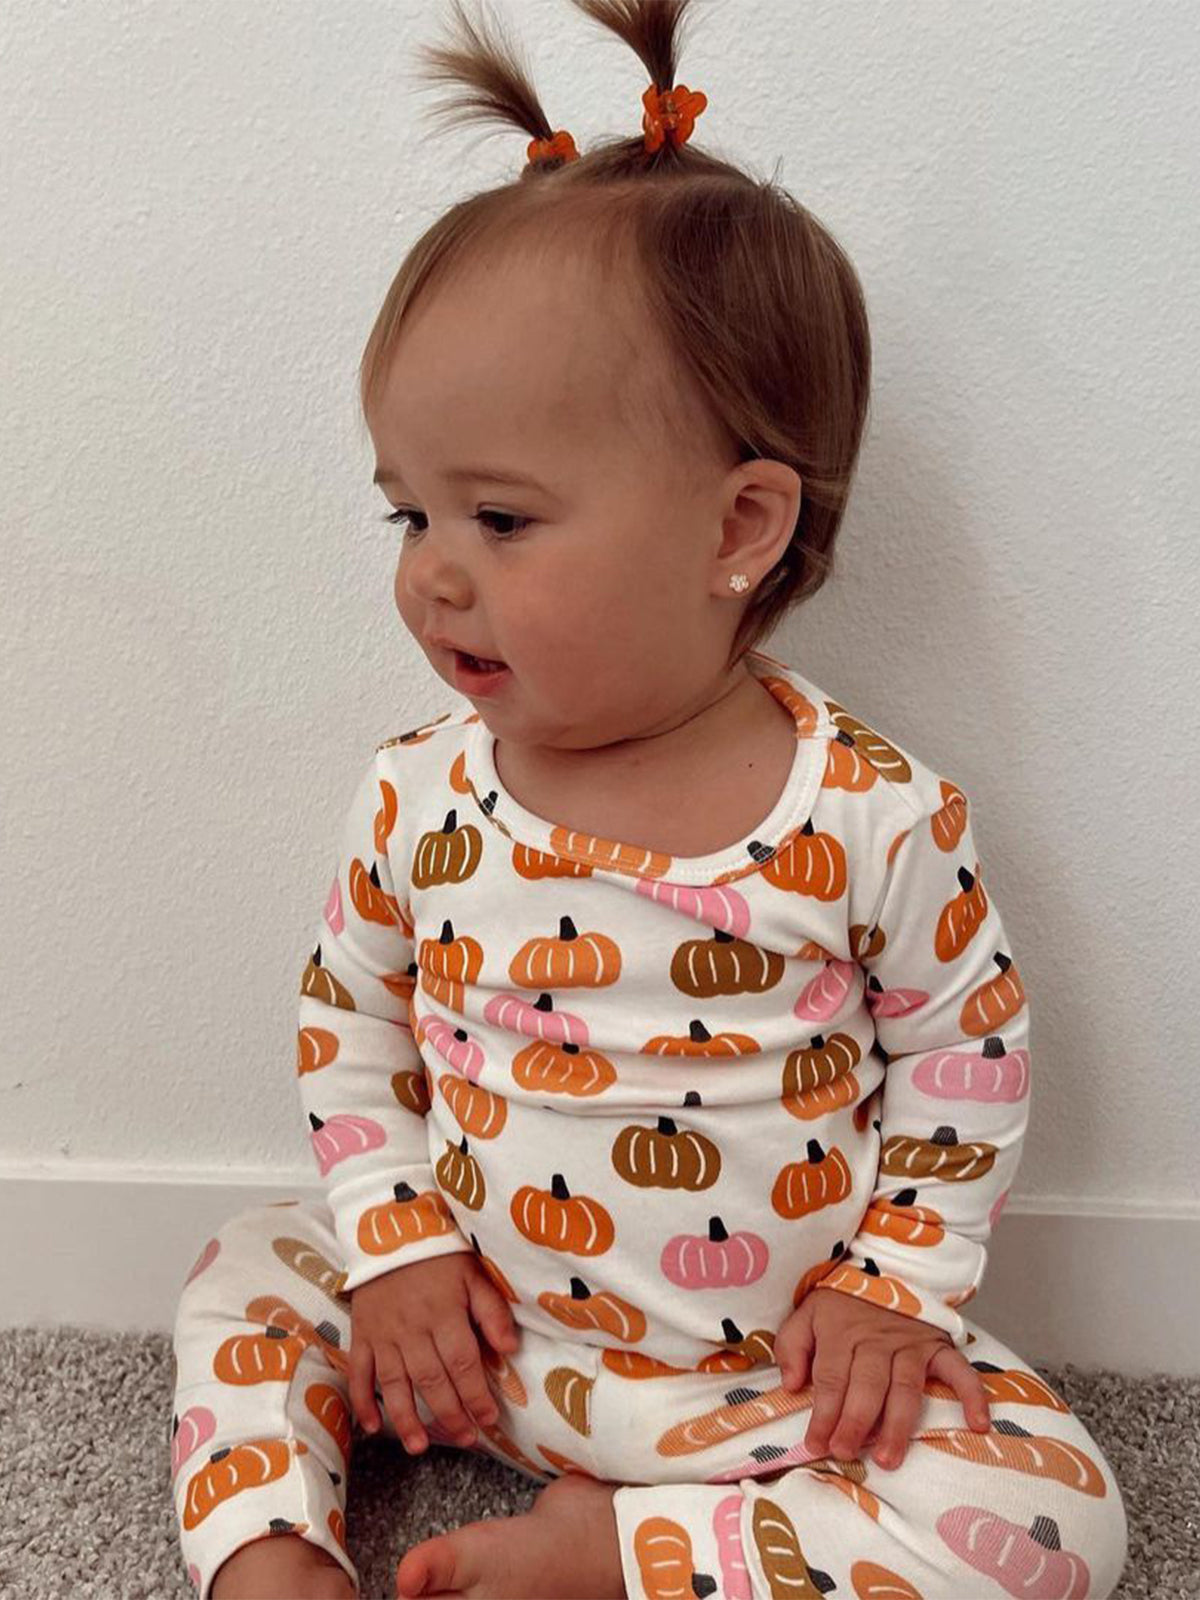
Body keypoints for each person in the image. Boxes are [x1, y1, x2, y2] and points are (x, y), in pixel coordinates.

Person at [168, 1, 1130, 1596]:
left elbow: (967, 1055)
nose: (434, 577)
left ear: (739, 526)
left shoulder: (874, 815)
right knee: (247, 1271)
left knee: (1058, 1515)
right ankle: (272, 1558)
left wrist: (894, 1293)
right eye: (411, 512)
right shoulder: (419, 796)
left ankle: (632, 1556)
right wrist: (399, 1248)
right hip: (468, 1335)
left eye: (500, 517)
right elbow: (350, 1013)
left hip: (754, 1393)